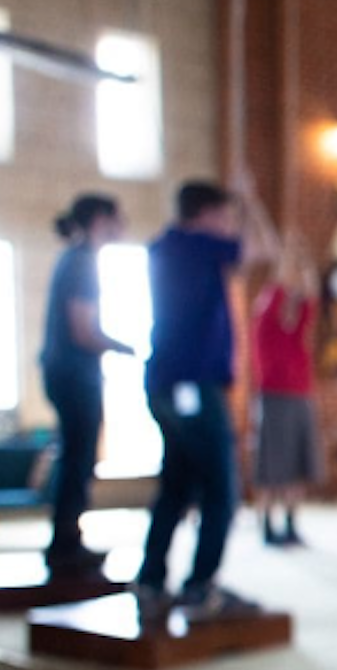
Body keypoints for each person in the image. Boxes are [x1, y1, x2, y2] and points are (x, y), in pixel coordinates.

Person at [136, 179, 276, 616]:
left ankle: (151, 580)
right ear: (206, 214)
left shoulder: (166, 246)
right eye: (225, 216)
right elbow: (265, 250)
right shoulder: (196, 244)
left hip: (167, 384)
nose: (229, 224)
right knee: (221, 487)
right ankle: (201, 586)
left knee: (177, 485)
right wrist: (252, 200)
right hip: (191, 385)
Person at [39, 193, 133, 579]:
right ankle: (64, 544)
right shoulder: (81, 262)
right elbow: (83, 330)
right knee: (78, 459)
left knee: (77, 457)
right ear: (100, 219)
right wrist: (124, 346)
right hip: (74, 374)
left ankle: (67, 539)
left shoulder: (76, 259)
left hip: (68, 372)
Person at [250, 240, 321, 546]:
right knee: (271, 465)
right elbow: (279, 283)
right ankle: (266, 523)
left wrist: (306, 265)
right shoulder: (266, 321)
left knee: (297, 463)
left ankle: (291, 522)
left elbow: (312, 295)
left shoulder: (296, 328)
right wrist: (288, 256)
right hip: (273, 397)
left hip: (300, 396)